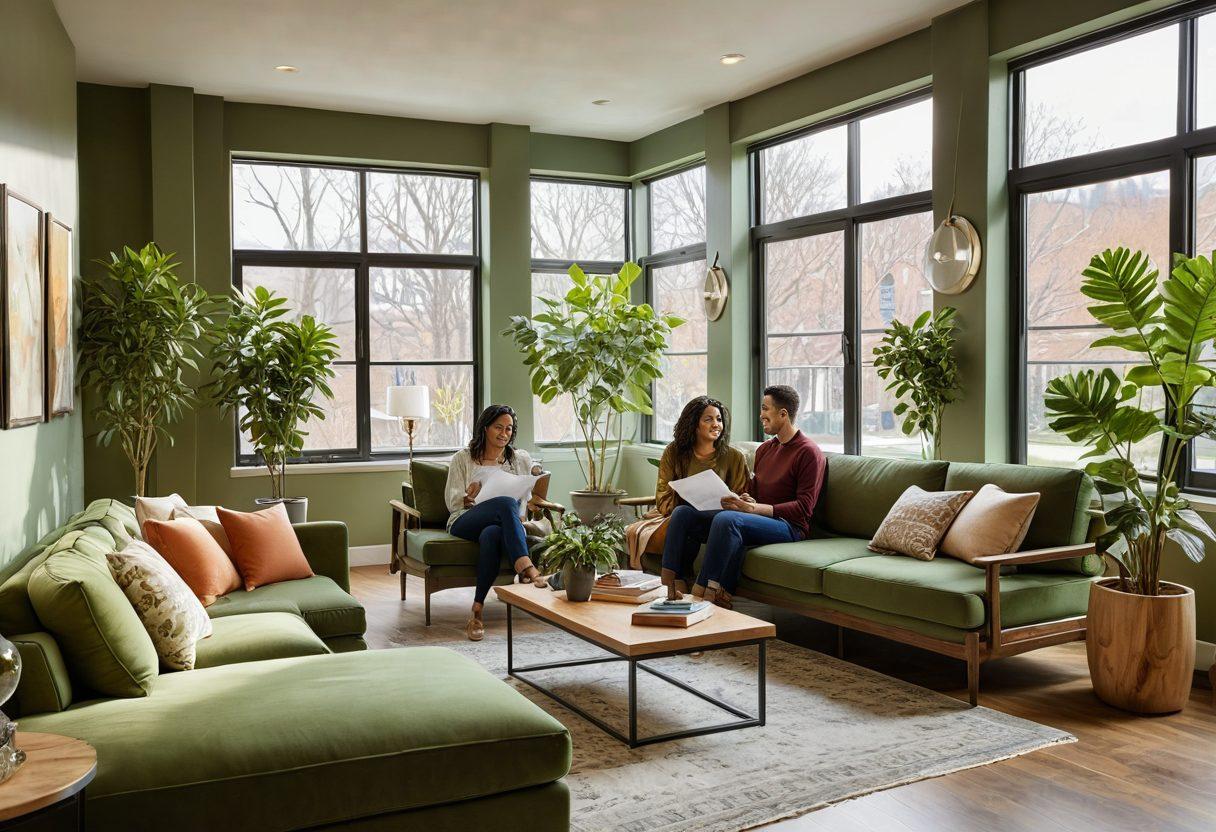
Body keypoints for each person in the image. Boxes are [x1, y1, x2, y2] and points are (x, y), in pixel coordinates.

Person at [660, 384, 825, 608]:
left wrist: (754, 509)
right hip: (759, 519)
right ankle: (670, 585)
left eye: (766, 409)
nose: (761, 415)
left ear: (783, 414)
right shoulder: (765, 450)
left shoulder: (808, 452)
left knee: (727, 519)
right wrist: (746, 500)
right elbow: (754, 493)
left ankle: (703, 594)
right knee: (683, 513)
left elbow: (804, 508)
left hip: (789, 527)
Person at [445, 404, 545, 642]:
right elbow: (452, 500)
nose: (504, 433)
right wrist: (467, 497)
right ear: (485, 428)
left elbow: (527, 493)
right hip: (464, 520)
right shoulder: (463, 458)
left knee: (491, 534)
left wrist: (536, 474)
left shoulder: (518, 458)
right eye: (498, 427)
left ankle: (477, 610)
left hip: (499, 522)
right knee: (504, 503)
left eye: (509, 429)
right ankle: (526, 567)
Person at [635, 396, 748, 593]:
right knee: (682, 514)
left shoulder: (734, 457)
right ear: (694, 425)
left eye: (719, 419)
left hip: (721, 521)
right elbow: (663, 498)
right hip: (687, 518)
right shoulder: (674, 453)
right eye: (708, 419)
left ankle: (676, 581)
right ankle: (672, 580)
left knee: (685, 517)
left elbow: (741, 499)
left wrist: (732, 501)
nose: (716, 424)